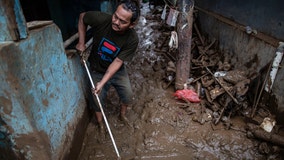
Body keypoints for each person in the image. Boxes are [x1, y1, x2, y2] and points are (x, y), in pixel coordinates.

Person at [76, 0, 140, 136]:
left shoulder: (132, 39)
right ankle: (100, 124)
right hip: (96, 68)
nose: (116, 22)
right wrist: (81, 42)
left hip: (117, 70)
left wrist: (103, 82)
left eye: (122, 21)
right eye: (115, 16)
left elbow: (117, 61)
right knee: (96, 99)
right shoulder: (102, 19)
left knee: (127, 95)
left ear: (132, 24)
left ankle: (122, 115)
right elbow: (82, 17)